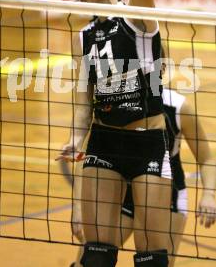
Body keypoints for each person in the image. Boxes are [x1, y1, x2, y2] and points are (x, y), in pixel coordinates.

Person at [57, 0, 172, 266]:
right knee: (96, 254)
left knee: (151, 256)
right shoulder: (84, 36)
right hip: (104, 142)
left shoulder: (138, 17)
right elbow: (83, 98)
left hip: (148, 142)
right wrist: (76, 137)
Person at [69, 81, 216, 267]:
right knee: (93, 257)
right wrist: (78, 208)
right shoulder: (114, 102)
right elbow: (91, 156)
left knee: (155, 262)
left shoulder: (179, 107)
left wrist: (209, 194)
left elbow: (207, 159)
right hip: (122, 187)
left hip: (166, 191)